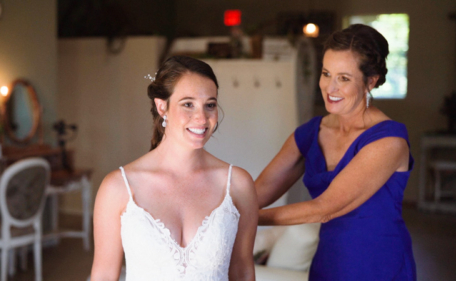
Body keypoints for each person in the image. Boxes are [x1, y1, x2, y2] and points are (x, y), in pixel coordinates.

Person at [255, 24, 416, 280]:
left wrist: (242, 219)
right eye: (326, 73)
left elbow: (324, 208)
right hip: (329, 263)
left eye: (344, 78)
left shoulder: (389, 141)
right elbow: (257, 193)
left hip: (379, 264)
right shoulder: (310, 133)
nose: (330, 88)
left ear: (370, 82)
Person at [90, 56, 258, 281]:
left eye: (210, 105)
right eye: (188, 104)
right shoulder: (118, 187)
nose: (201, 117)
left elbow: (243, 271)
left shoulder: (237, 184)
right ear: (162, 106)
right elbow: (103, 275)